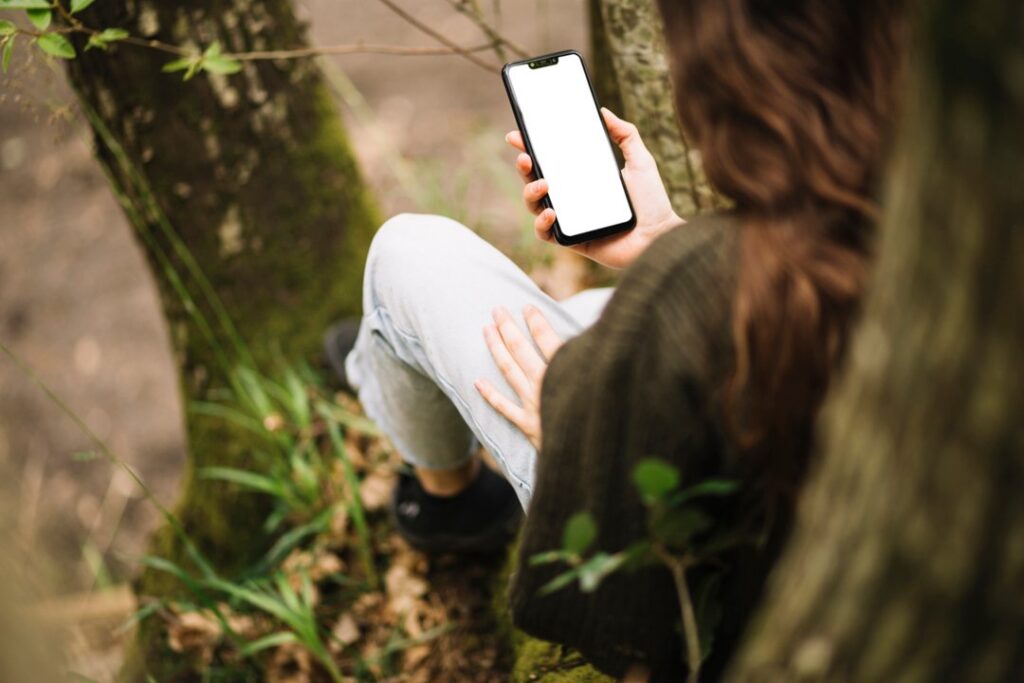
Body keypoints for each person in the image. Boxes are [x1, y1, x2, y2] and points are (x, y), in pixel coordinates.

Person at [324, 0, 905, 677]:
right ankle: (387, 363)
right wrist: (664, 240)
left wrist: (578, 425)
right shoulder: (936, 233)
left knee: (406, 255)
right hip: (751, 466)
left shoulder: (688, 293)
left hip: (685, 557)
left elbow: (619, 599)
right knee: (595, 304)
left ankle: (448, 501)